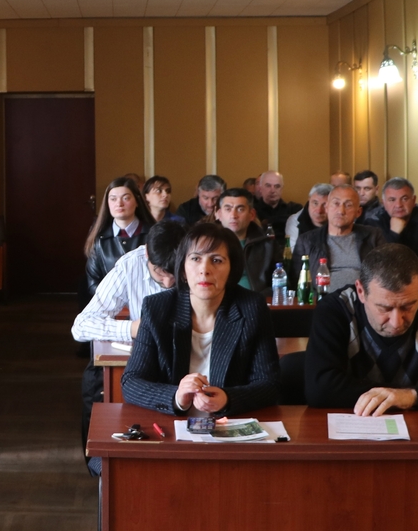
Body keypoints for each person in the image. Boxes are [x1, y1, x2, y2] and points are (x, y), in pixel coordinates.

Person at [121, 221, 280, 423]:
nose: (204, 270)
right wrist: (176, 397)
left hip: (227, 425)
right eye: (196, 259)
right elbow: (131, 382)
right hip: (173, 424)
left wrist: (228, 399)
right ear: (183, 269)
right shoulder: (157, 308)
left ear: (232, 269)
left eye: (217, 260)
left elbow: (269, 384)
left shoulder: (252, 308)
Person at [304, 244, 418, 415]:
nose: (396, 322)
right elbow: (320, 389)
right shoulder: (335, 311)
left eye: (408, 306)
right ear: (361, 291)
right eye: (384, 308)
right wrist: (396, 396)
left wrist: (411, 396)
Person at [71, 220, 185, 441]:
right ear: (147, 255)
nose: (168, 282)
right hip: (143, 365)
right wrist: (132, 328)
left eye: (175, 273)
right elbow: (81, 326)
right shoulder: (130, 264)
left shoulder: (194, 261)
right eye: (160, 272)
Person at [289, 184, 383, 289]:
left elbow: (384, 275)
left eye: (348, 205)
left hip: (362, 297)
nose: (341, 211)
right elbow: (295, 281)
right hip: (321, 297)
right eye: (336, 203)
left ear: (358, 212)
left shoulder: (373, 237)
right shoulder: (307, 241)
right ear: (327, 208)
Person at [85, 177, 156, 296]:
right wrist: (114, 301)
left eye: (126, 198)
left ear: (137, 201)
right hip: (111, 302)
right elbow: (93, 281)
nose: (119, 204)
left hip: (147, 301)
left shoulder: (153, 234)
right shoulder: (100, 238)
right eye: (113, 199)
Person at [214, 188, 275, 297]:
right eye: (228, 209)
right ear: (218, 214)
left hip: (257, 301)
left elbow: (281, 283)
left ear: (252, 214)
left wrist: (257, 299)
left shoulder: (267, 245)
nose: (233, 215)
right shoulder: (207, 245)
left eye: (240, 209)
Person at [371, 177, 418, 253]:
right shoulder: (374, 221)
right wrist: (394, 233)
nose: (398, 205)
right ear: (383, 203)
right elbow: (380, 257)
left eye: (404, 199)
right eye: (392, 200)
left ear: (414, 200)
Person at [251, 170, 301, 247]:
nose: (272, 190)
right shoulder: (252, 211)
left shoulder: (294, 209)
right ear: (260, 188)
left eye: (277, 186)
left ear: (282, 189)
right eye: (268, 186)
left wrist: (267, 221)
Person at [285, 183, 332, 250]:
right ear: (309, 200)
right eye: (315, 203)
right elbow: (294, 252)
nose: (319, 211)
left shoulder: (340, 221)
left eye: (325, 205)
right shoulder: (295, 221)